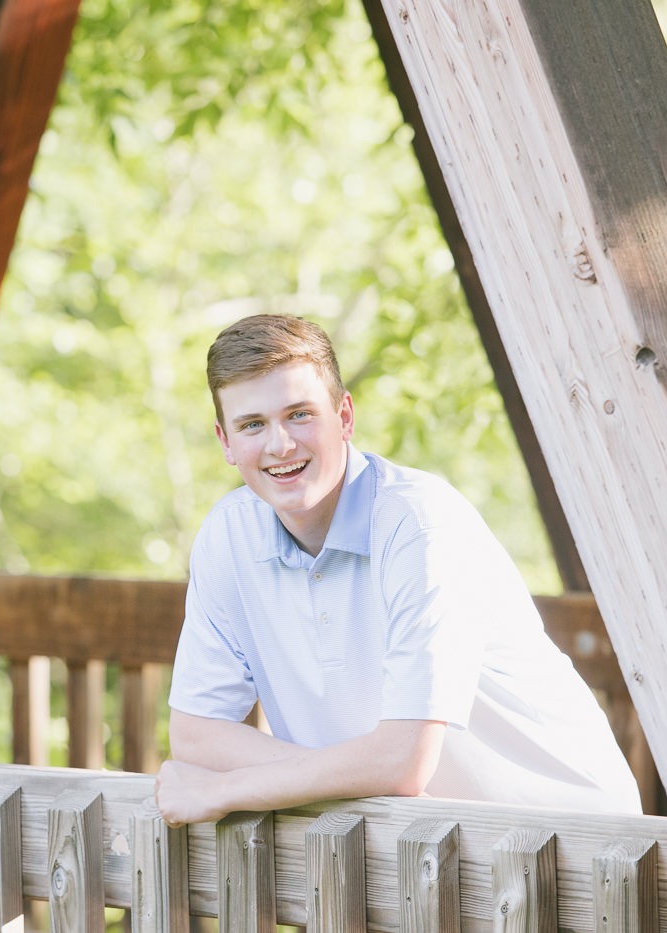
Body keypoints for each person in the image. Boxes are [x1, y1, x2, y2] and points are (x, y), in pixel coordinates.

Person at [155, 313, 640, 826]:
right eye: (252, 424)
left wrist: (230, 789)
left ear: (344, 417)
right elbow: (195, 734)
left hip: (577, 841)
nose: (280, 445)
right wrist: (362, 777)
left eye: (300, 414)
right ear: (225, 442)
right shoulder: (228, 538)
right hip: (422, 840)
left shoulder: (420, 524)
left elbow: (403, 763)